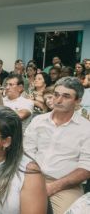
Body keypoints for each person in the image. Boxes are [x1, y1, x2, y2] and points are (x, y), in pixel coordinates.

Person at [24, 77, 90, 214]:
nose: (58, 100)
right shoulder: (38, 121)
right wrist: (34, 180)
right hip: (31, 176)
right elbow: (26, 152)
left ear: (77, 101)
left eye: (66, 96)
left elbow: (86, 168)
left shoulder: (86, 129)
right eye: (56, 94)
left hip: (66, 185)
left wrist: (53, 187)